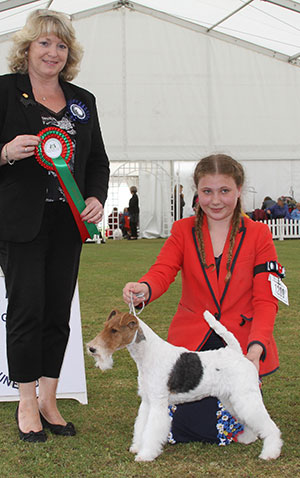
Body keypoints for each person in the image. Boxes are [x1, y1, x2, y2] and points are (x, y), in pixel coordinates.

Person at [0, 9, 109, 442]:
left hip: (69, 225)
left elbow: (97, 160)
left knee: (57, 314)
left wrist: (97, 197)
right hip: (21, 223)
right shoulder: (6, 92)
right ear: (27, 48)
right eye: (44, 43)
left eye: (61, 45)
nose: (53, 52)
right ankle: (26, 402)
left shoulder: (83, 101)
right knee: (26, 312)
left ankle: (49, 397)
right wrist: (5, 151)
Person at [123, 154, 280, 446]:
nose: (215, 200)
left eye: (225, 191)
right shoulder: (183, 230)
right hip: (191, 342)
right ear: (197, 191)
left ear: (239, 190)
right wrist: (144, 287)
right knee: (184, 428)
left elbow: (266, 299)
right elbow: (163, 270)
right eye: (207, 191)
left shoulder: (259, 234)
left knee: (215, 426)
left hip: (240, 345)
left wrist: (256, 349)